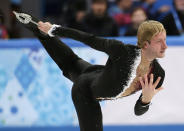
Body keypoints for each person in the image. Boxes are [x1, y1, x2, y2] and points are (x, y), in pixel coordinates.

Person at [15, 12, 167, 131]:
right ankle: (44, 30)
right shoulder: (122, 51)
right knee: (71, 64)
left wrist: (145, 101)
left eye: (165, 40)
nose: (165, 46)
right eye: (160, 42)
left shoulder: (157, 74)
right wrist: (54, 29)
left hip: (98, 74)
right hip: (86, 90)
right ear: (146, 45)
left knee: (71, 62)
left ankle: (38, 29)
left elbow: (138, 112)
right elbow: (89, 39)